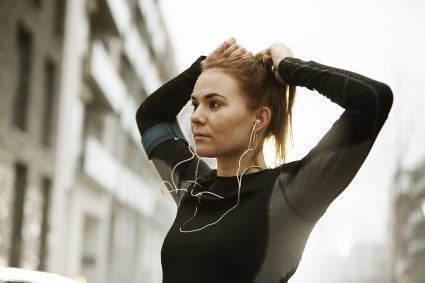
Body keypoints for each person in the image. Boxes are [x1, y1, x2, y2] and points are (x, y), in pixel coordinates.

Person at [135, 37, 393, 283]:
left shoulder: (287, 195)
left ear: (260, 118)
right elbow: (151, 117)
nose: (195, 117)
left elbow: (372, 98)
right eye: (195, 104)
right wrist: (201, 67)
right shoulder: (193, 186)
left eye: (214, 104)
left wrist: (291, 68)